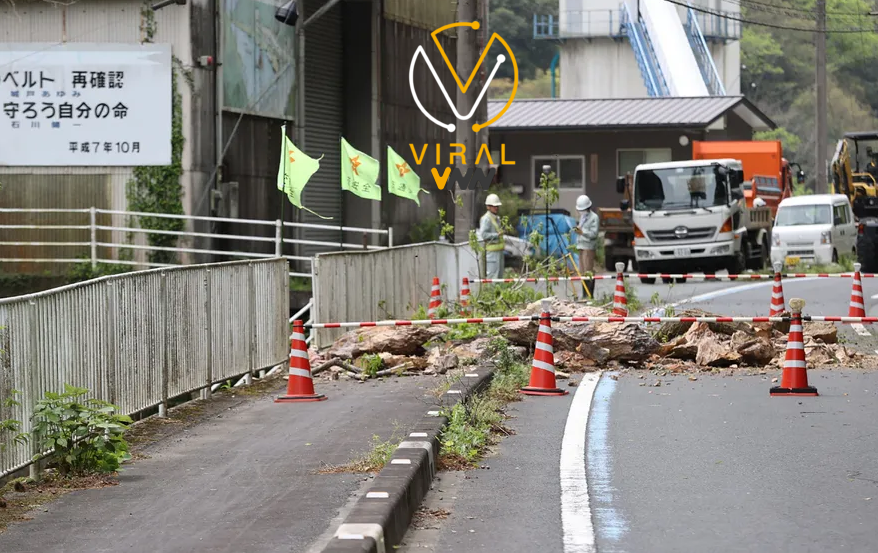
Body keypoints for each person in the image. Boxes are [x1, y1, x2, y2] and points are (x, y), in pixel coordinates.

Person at [574, 194, 599, 297]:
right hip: (581, 246)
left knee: (588, 271)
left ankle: (589, 295)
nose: (581, 211)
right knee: (583, 272)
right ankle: (585, 294)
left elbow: (594, 233)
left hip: (588, 247)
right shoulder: (582, 217)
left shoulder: (594, 217)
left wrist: (582, 232)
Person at [479, 194, 505, 279]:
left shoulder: (497, 218)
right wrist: (497, 235)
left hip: (499, 252)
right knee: (493, 277)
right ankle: (490, 292)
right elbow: (483, 234)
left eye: (497, 206)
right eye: (494, 206)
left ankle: (498, 293)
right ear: (488, 207)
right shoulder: (486, 219)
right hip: (492, 254)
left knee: (499, 277)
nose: (496, 208)